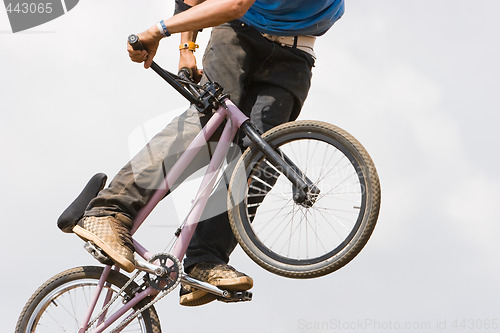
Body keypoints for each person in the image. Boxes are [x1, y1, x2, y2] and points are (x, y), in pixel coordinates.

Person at [73, 0, 345, 307]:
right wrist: (177, 42)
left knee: (260, 158)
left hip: (296, 56)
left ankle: (206, 261)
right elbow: (225, 4)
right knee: (208, 125)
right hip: (239, 35)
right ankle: (109, 211)